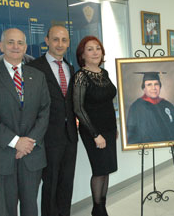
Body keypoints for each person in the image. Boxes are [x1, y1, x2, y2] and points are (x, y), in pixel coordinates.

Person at [0, 28, 50, 216]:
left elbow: (44, 111)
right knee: (6, 209)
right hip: (1, 155)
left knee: (30, 207)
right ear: (1, 46)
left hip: (31, 154)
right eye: (10, 42)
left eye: (20, 43)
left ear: (25, 48)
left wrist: (29, 141)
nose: (15, 47)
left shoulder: (37, 76)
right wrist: (16, 142)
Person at [27, 25, 78, 216]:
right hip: (47, 137)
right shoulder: (33, 68)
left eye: (64, 40)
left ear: (68, 43)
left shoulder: (70, 67)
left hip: (70, 135)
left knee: (67, 183)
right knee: (50, 183)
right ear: (46, 40)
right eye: (55, 39)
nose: (60, 44)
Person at [73, 36, 117, 216]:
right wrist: (95, 135)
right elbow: (78, 108)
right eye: (90, 49)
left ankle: (101, 208)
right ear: (82, 54)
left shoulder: (103, 73)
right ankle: (98, 210)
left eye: (97, 48)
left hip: (108, 129)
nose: (95, 52)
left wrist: (114, 128)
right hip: (93, 131)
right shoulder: (80, 77)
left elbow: (108, 103)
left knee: (106, 170)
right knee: (99, 170)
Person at [126, 72, 174, 144]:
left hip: (170, 146)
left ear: (160, 86)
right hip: (147, 148)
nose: (153, 88)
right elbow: (131, 135)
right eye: (149, 85)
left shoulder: (167, 105)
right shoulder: (136, 107)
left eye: (156, 84)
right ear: (144, 88)